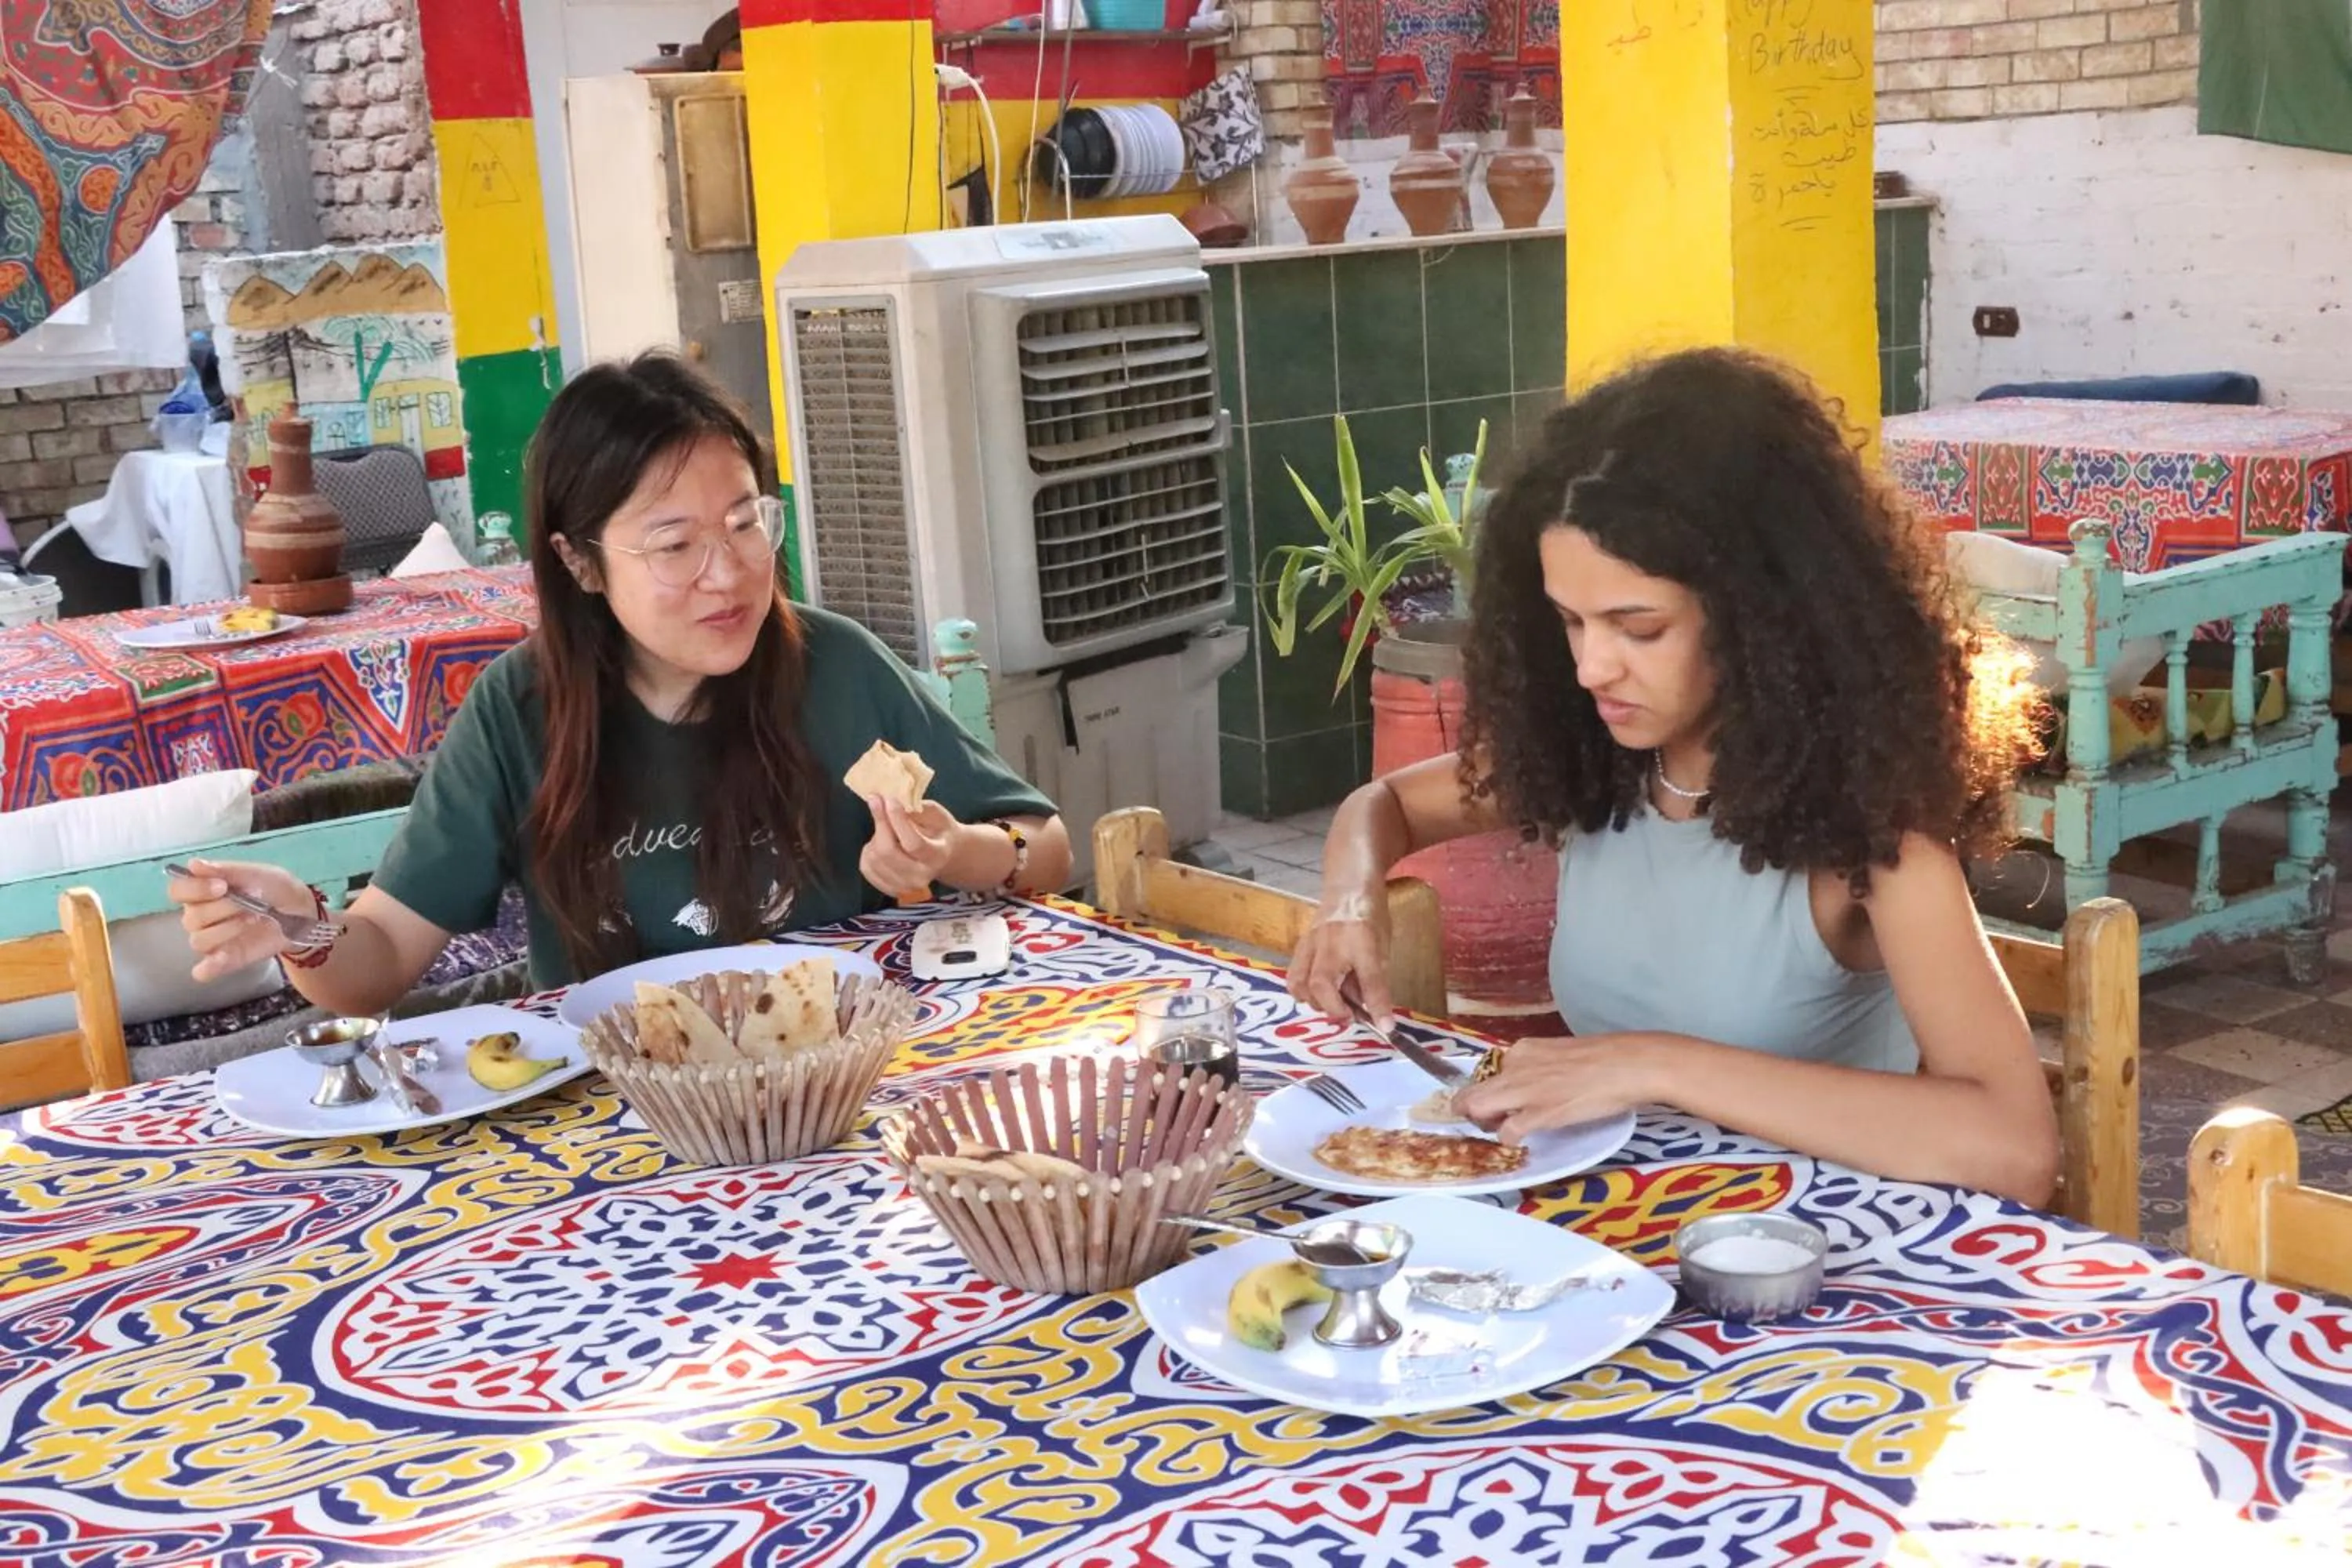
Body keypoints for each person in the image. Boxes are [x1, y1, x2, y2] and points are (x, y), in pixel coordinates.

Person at [1287, 347, 2059, 1205]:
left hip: (1817, 1262)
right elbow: (1384, 802)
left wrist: (1652, 1063)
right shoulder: (1594, 755)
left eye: (1637, 628)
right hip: (1617, 1227)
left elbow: (2014, 1145)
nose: (1590, 668)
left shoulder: (1871, 828)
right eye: (1570, 622)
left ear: (1761, 615)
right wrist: (1349, 896)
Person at [170, 352, 1071, 1013]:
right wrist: (303, 930)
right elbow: (375, 967)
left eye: (746, 522)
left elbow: (1048, 845)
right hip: (624, 1119)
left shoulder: (833, 665)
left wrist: (953, 850)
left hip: (841, 1090)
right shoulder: (522, 712)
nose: (729, 573)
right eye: (677, 545)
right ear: (581, 562)